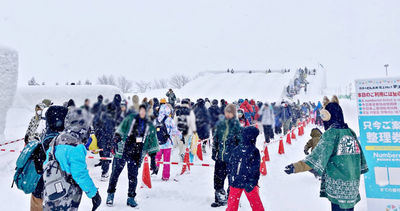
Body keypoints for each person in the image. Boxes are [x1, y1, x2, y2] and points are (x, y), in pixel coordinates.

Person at [284, 97, 368, 211]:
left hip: (338, 186)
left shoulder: (331, 134)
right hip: (352, 185)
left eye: (324, 116)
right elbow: (360, 158)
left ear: (329, 116)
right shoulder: (350, 132)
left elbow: (316, 158)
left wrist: (295, 167)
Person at [42, 108, 101, 211]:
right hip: (66, 197)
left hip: (51, 191)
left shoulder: (55, 140)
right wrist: (94, 194)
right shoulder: (76, 146)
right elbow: (79, 174)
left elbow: (46, 164)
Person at [107, 104, 159, 207]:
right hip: (123, 150)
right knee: (115, 174)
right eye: (142, 110)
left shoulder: (150, 125)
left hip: (136, 153)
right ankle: (110, 194)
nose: (143, 112)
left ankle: (131, 198)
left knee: (133, 177)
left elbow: (153, 142)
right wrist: (116, 139)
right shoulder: (130, 118)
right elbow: (120, 130)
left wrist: (153, 160)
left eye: (145, 111)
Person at [30, 105, 68, 211]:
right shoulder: (65, 139)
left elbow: (39, 165)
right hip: (59, 189)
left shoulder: (46, 134)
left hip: (41, 186)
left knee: (36, 204)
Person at [227, 126, 264, 211]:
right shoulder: (252, 150)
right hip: (243, 181)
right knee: (256, 205)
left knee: (233, 206)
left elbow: (231, 166)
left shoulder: (240, 150)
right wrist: (231, 178)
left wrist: (232, 178)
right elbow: (255, 168)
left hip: (242, 181)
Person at [211, 104, 242, 208]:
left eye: (230, 112)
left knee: (232, 180)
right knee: (218, 178)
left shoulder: (237, 126)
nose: (228, 114)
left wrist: (239, 156)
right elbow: (215, 139)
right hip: (220, 158)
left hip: (232, 159)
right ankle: (219, 197)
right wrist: (214, 151)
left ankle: (232, 199)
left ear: (233, 114)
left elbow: (240, 142)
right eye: (226, 112)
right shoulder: (220, 124)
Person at [154, 104, 182, 180]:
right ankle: (165, 176)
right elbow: (175, 131)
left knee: (157, 159)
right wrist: (180, 136)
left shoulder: (156, 119)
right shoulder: (169, 120)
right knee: (166, 161)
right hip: (167, 143)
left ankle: (154, 172)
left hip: (157, 144)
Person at [97, 103, 117, 180]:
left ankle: (104, 170)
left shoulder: (101, 117)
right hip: (108, 139)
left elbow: (97, 128)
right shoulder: (111, 118)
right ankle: (105, 172)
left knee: (105, 155)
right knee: (106, 155)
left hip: (103, 139)